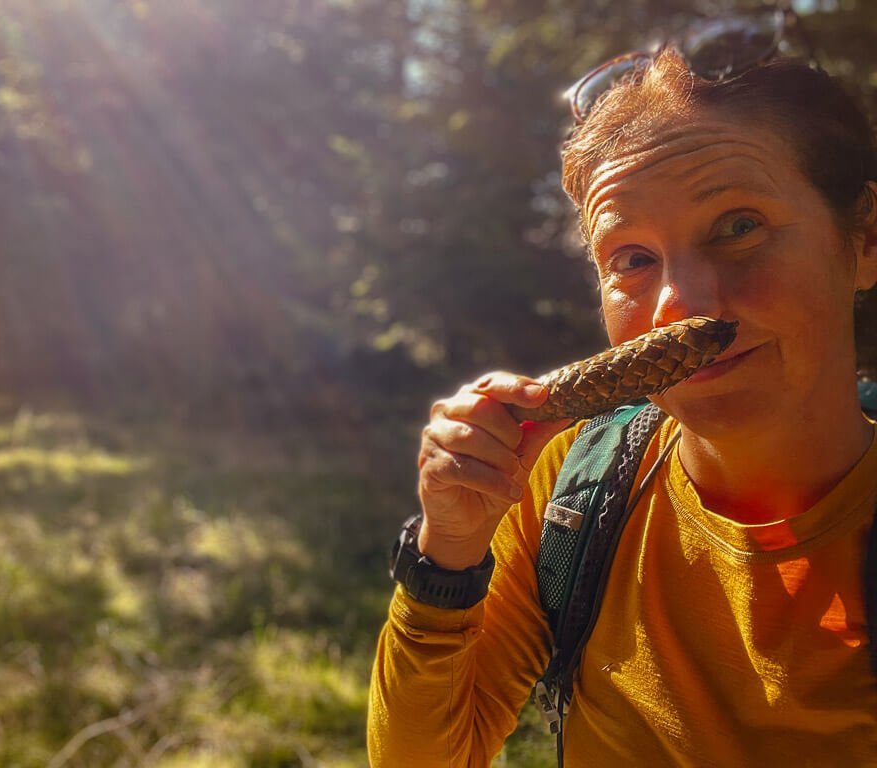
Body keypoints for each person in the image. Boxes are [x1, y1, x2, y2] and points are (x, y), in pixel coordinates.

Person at [367, 9, 877, 767]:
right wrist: (450, 550)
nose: (680, 301)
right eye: (632, 258)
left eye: (739, 225)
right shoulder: (571, 485)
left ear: (864, 242)